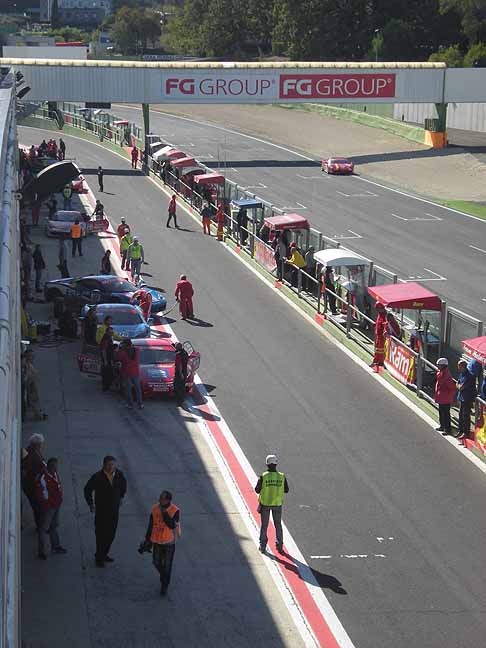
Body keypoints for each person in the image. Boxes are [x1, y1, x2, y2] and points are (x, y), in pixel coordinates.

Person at [84, 456, 127, 567]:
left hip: (114, 511)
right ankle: (99, 557)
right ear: (104, 465)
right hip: (102, 511)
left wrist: (121, 497)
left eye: (113, 464)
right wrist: (90, 503)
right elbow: (87, 489)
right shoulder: (97, 477)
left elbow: (124, 485)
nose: (111, 466)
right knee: (101, 534)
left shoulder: (118, 474)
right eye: (109, 464)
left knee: (111, 534)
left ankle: (104, 554)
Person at [142, 490, 181, 596]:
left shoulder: (175, 510)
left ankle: (164, 585)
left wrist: (164, 513)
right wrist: (147, 540)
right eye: (160, 498)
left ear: (168, 500)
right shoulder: (155, 508)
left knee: (167, 565)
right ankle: (164, 577)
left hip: (169, 542)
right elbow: (151, 524)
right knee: (156, 562)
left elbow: (172, 525)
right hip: (157, 541)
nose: (160, 500)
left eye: (162, 499)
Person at [255, 454, 289, 554]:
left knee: (264, 525)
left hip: (265, 504)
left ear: (267, 464)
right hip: (277, 504)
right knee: (278, 525)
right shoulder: (282, 476)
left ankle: (263, 546)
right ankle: (279, 546)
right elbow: (286, 490)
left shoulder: (264, 476)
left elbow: (257, 490)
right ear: (276, 464)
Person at [35, 457, 67, 559]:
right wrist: (48, 504)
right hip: (49, 508)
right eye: (54, 467)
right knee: (43, 529)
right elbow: (42, 495)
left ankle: (55, 546)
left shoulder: (54, 473)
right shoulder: (43, 478)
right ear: (49, 467)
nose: (56, 468)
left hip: (56, 505)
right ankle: (41, 552)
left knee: (54, 526)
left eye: (56, 466)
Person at [21, 433, 47, 530]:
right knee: (37, 506)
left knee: (38, 505)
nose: (41, 446)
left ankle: (40, 524)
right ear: (36, 444)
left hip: (32, 484)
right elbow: (25, 470)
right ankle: (40, 526)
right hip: (32, 485)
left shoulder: (28, 451)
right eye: (40, 444)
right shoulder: (30, 454)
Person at [116, 339, 143, 409]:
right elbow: (139, 349)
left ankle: (130, 404)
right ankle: (140, 403)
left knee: (128, 389)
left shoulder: (123, 352)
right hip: (135, 372)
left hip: (126, 372)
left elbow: (117, 358)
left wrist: (119, 349)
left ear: (125, 345)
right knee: (138, 389)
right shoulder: (136, 350)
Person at [434, 357, 456, 435]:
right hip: (441, 396)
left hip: (445, 398)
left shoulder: (446, 376)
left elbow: (451, 387)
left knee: (446, 413)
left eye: (439, 365)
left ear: (443, 366)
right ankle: (442, 425)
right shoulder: (441, 373)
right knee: (441, 412)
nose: (438, 366)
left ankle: (447, 429)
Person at [457, 359, 478, 440]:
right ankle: (461, 430)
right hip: (462, 397)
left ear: (462, 366)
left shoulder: (469, 376)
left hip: (467, 398)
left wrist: (459, 386)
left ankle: (466, 432)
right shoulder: (462, 374)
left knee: (466, 416)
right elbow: (458, 384)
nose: (458, 368)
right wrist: (459, 386)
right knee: (460, 414)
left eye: (459, 366)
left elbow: (461, 387)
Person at [99, 326, 116, 392]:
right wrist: (105, 360)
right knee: (107, 373)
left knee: (109, 373)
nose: (111, 333)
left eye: (112, 332)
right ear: (107, 332)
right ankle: (105, 387)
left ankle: (107, 386)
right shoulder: (106, 338)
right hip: (107, 359)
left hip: (109, 358)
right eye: (110, 332)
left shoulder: (109, 337)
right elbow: (103, 350)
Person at [371, 302, 387, 368]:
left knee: (380, 349)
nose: (377, 310)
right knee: (377, 349)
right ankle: (376, 360)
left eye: (378, 308)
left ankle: (380, 361)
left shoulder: (384, 316)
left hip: (381, 335)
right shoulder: (380, 314)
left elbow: (385, 324)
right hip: (378, 334)